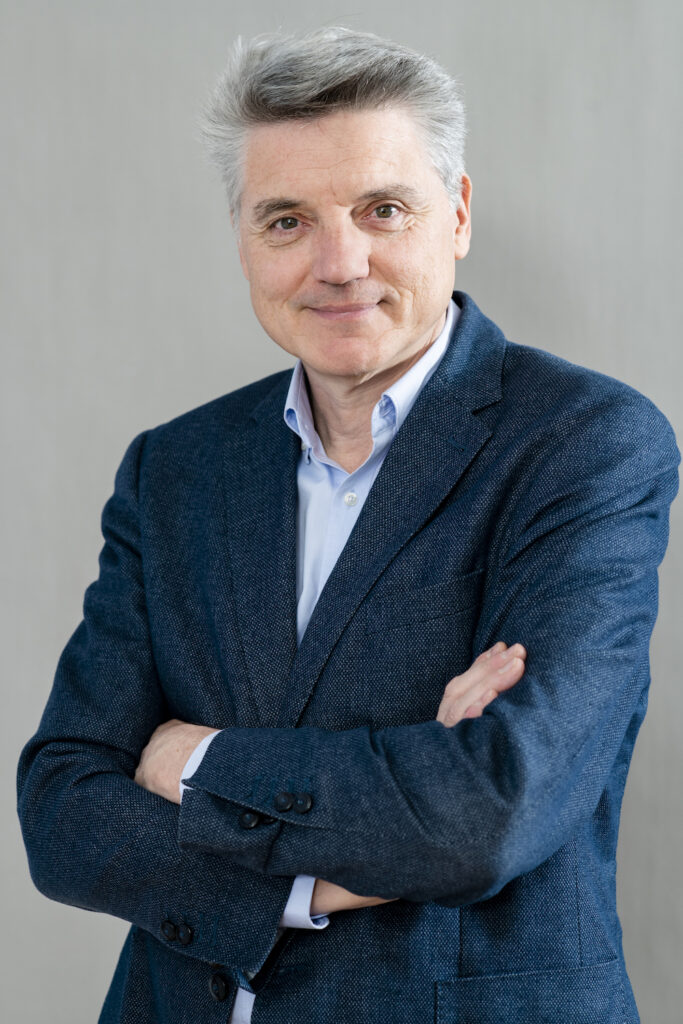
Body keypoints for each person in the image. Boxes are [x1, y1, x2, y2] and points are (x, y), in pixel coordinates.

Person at [17, 26, 679, 1024]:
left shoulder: (583, 443)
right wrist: (313, 880)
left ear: (456, 214)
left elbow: (487, 812)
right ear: (242, 237)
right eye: (287, 221)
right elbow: (63, 808)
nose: (339, 263)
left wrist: (194, 763)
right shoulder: (176, 468)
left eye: (383, 210)